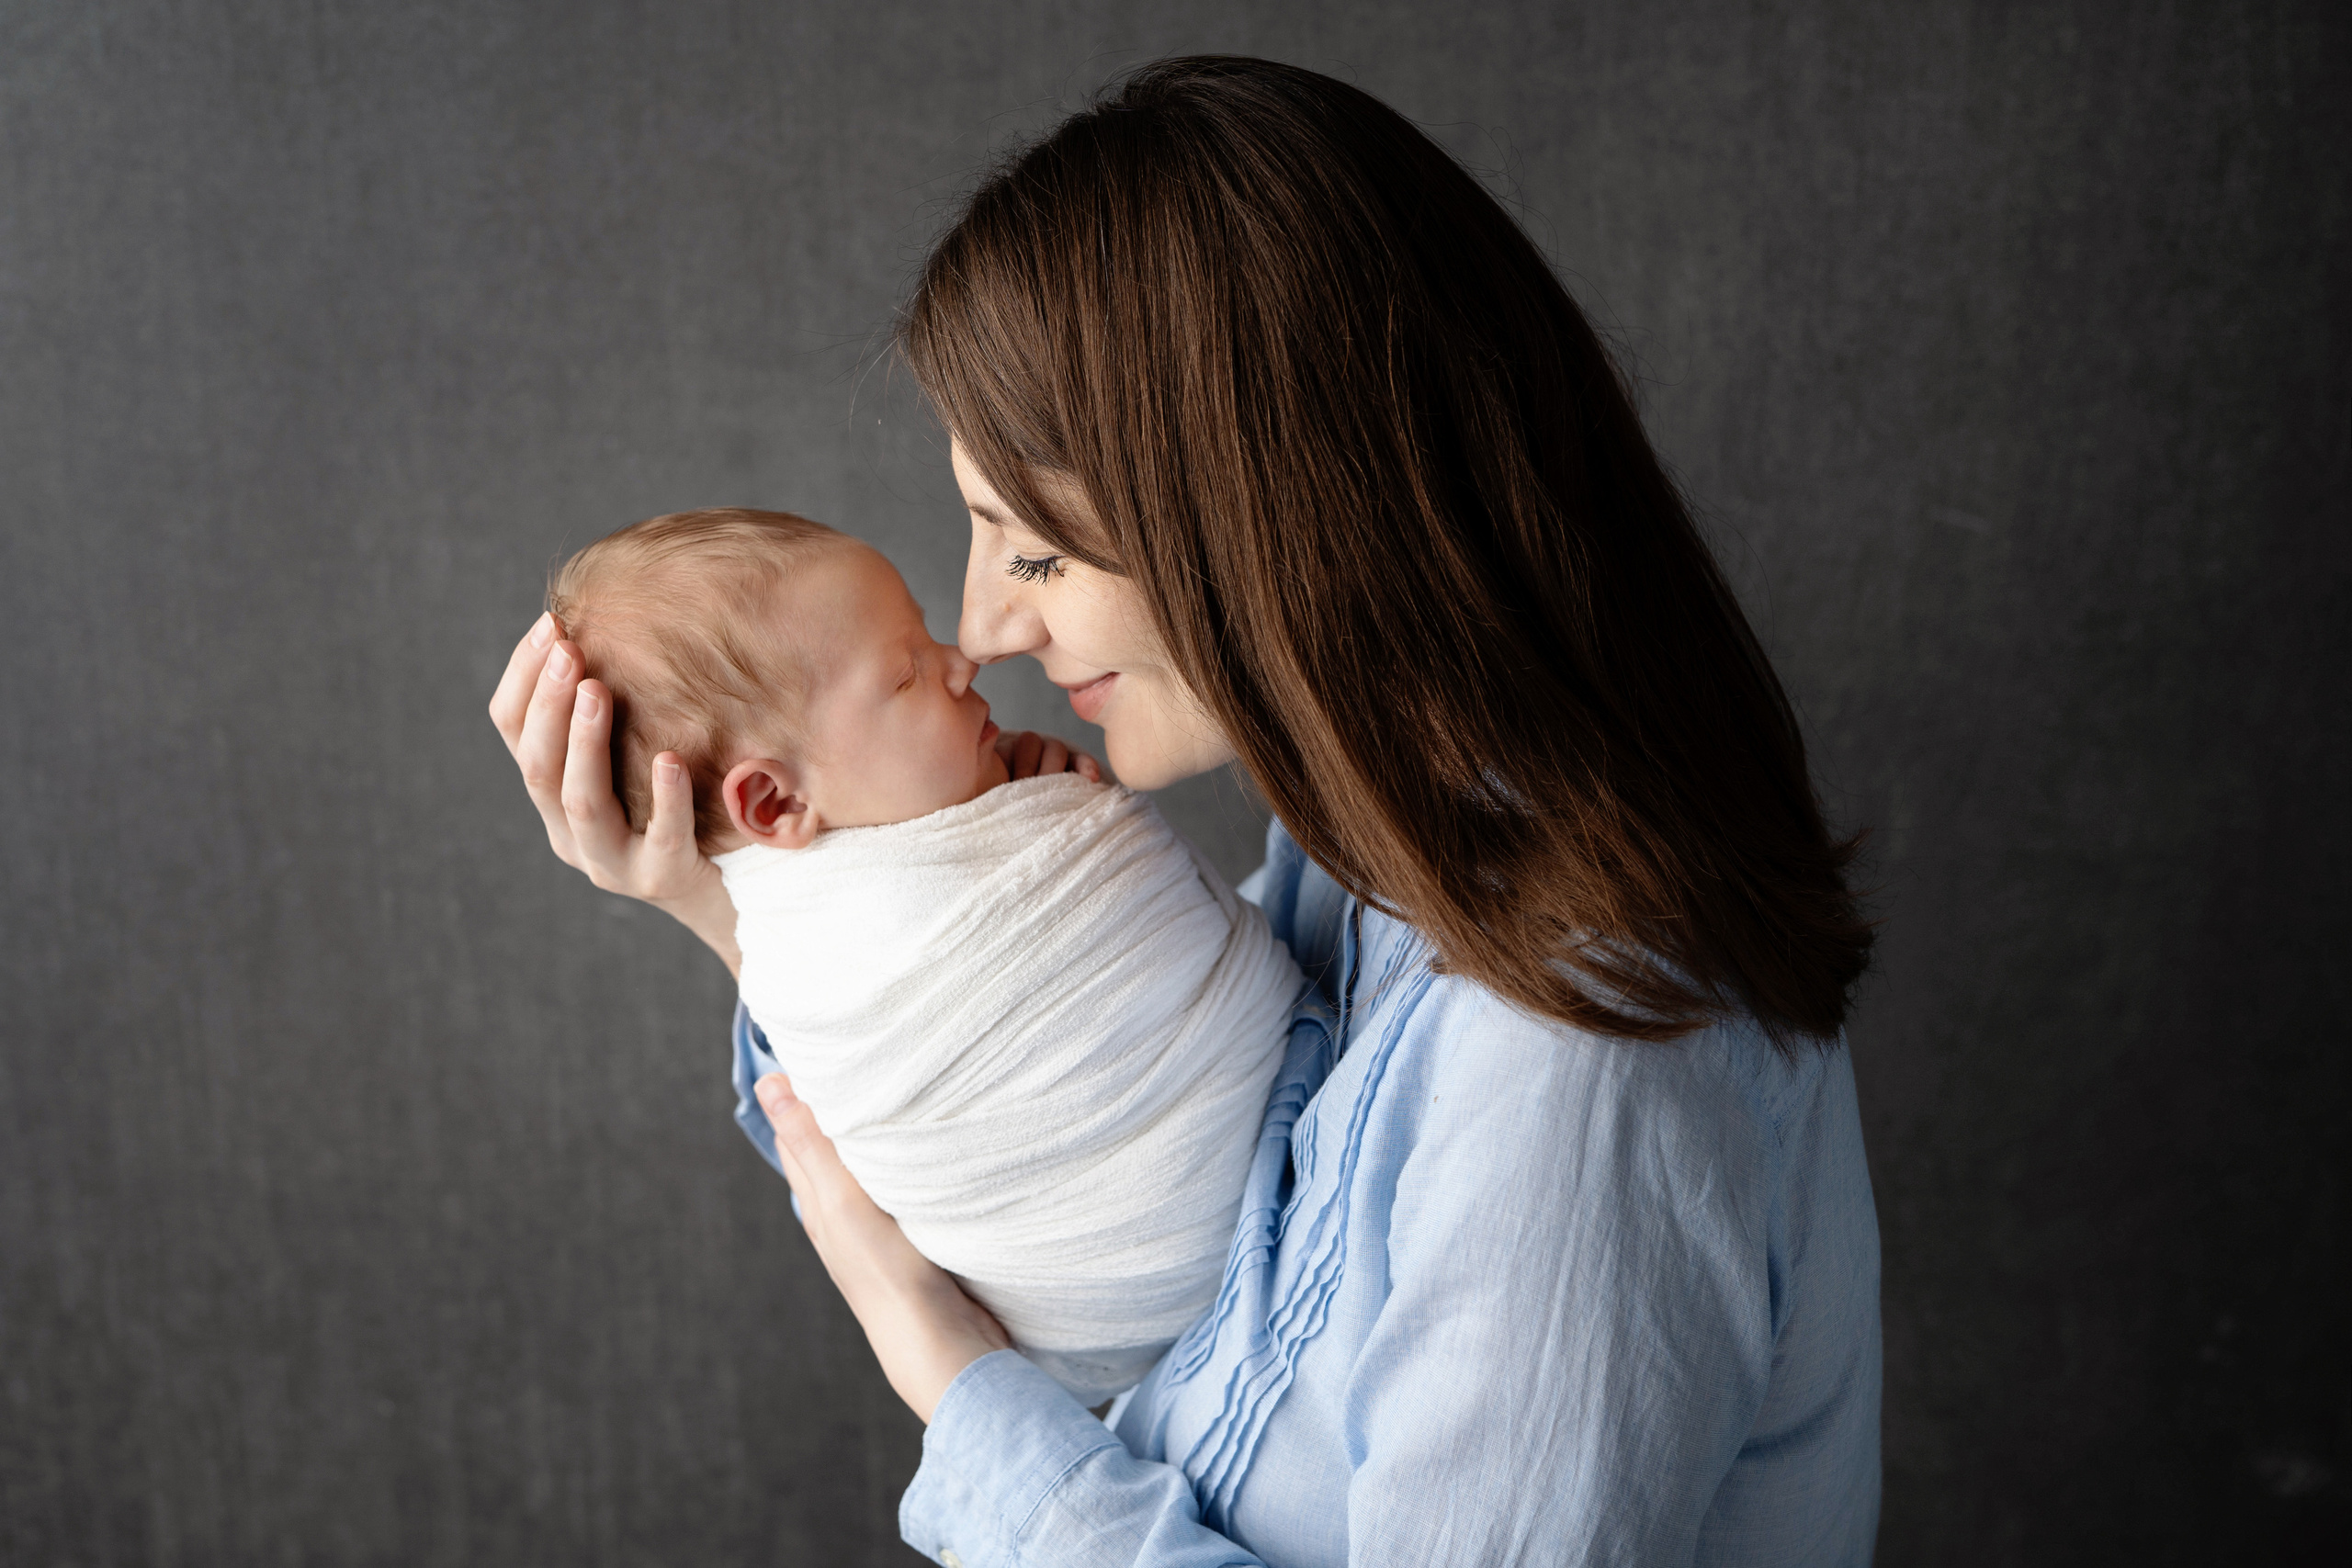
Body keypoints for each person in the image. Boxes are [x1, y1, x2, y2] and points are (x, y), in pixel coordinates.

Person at [489, 55, 1882, 1567]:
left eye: (1033, 549)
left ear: (1262, 518)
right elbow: (1068, 1151)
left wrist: (950, 1375)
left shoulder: (1586, 1049)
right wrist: (734, 890)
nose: (988, 626)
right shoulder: (1387, 859)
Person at [543, 505, 1303, 1403]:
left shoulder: (817, 919)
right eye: (907, 674)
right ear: (775, 806)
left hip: (1160, 1313)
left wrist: (1034, 812)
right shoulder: (816, 967)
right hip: (1119, 1268)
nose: (964, 658)